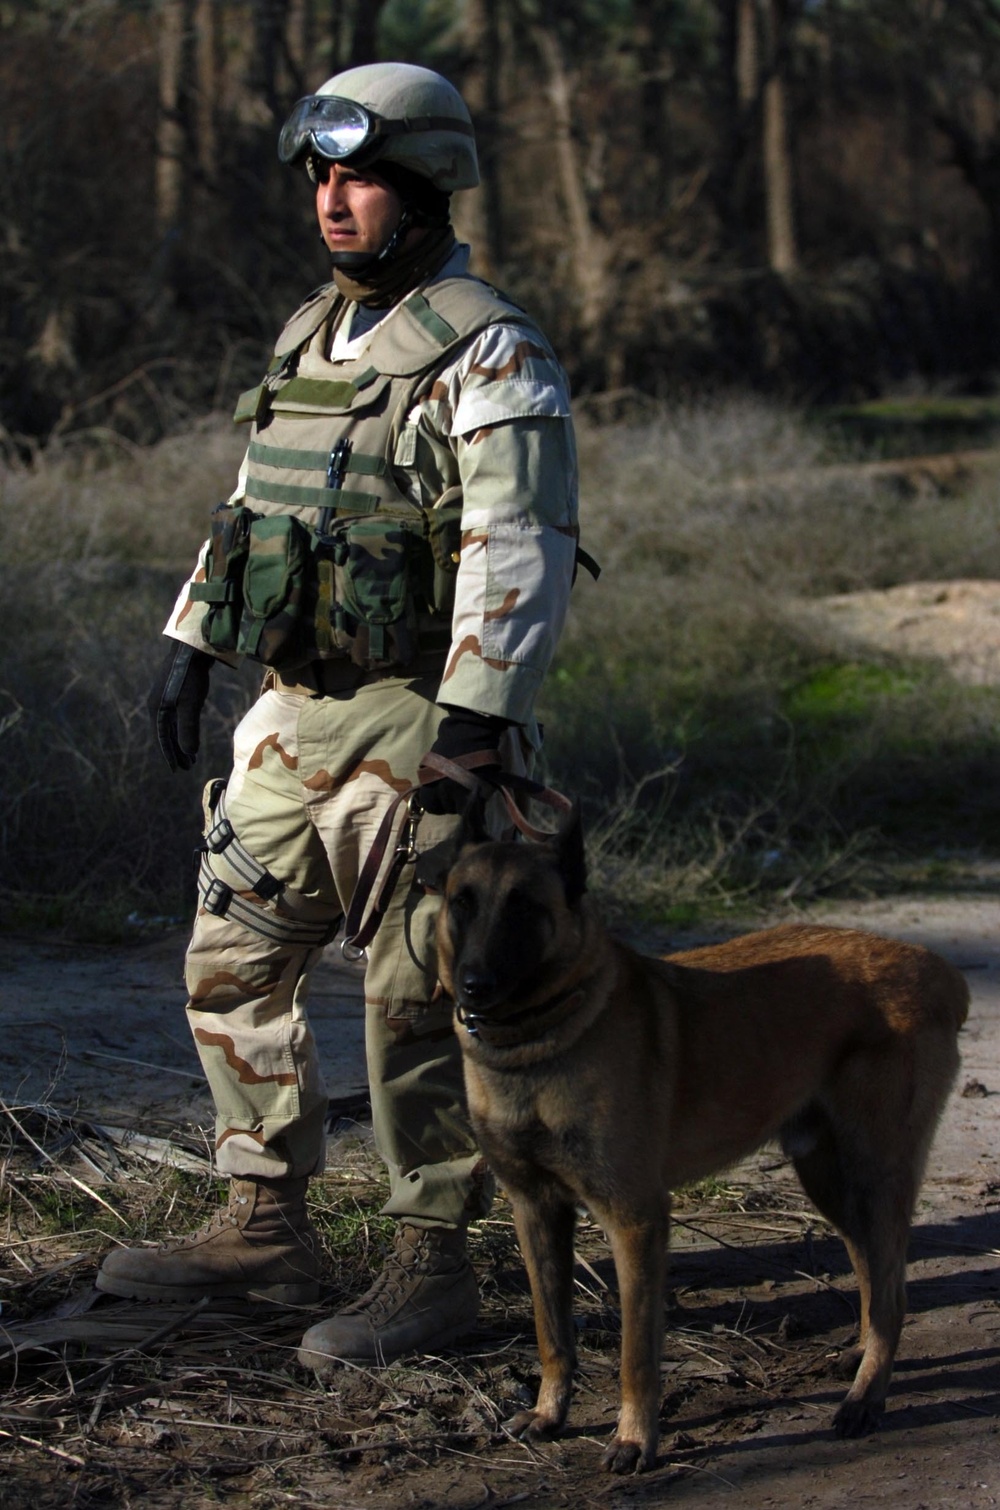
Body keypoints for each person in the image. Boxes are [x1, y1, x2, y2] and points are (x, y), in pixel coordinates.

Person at [96, 61, 581, 1372]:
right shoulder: (312, 334)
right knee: (230, 952)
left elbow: (517, 545)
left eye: (359, 174)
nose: (332, 197)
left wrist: (478, 724)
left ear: (426, 185)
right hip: (292, 712)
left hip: (417, 715)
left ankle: (435, 1263)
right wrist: (194, 637)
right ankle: (267, 1221)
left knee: (415, 989)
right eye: (319, 173)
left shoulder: (492, 347)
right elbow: (257, 502)